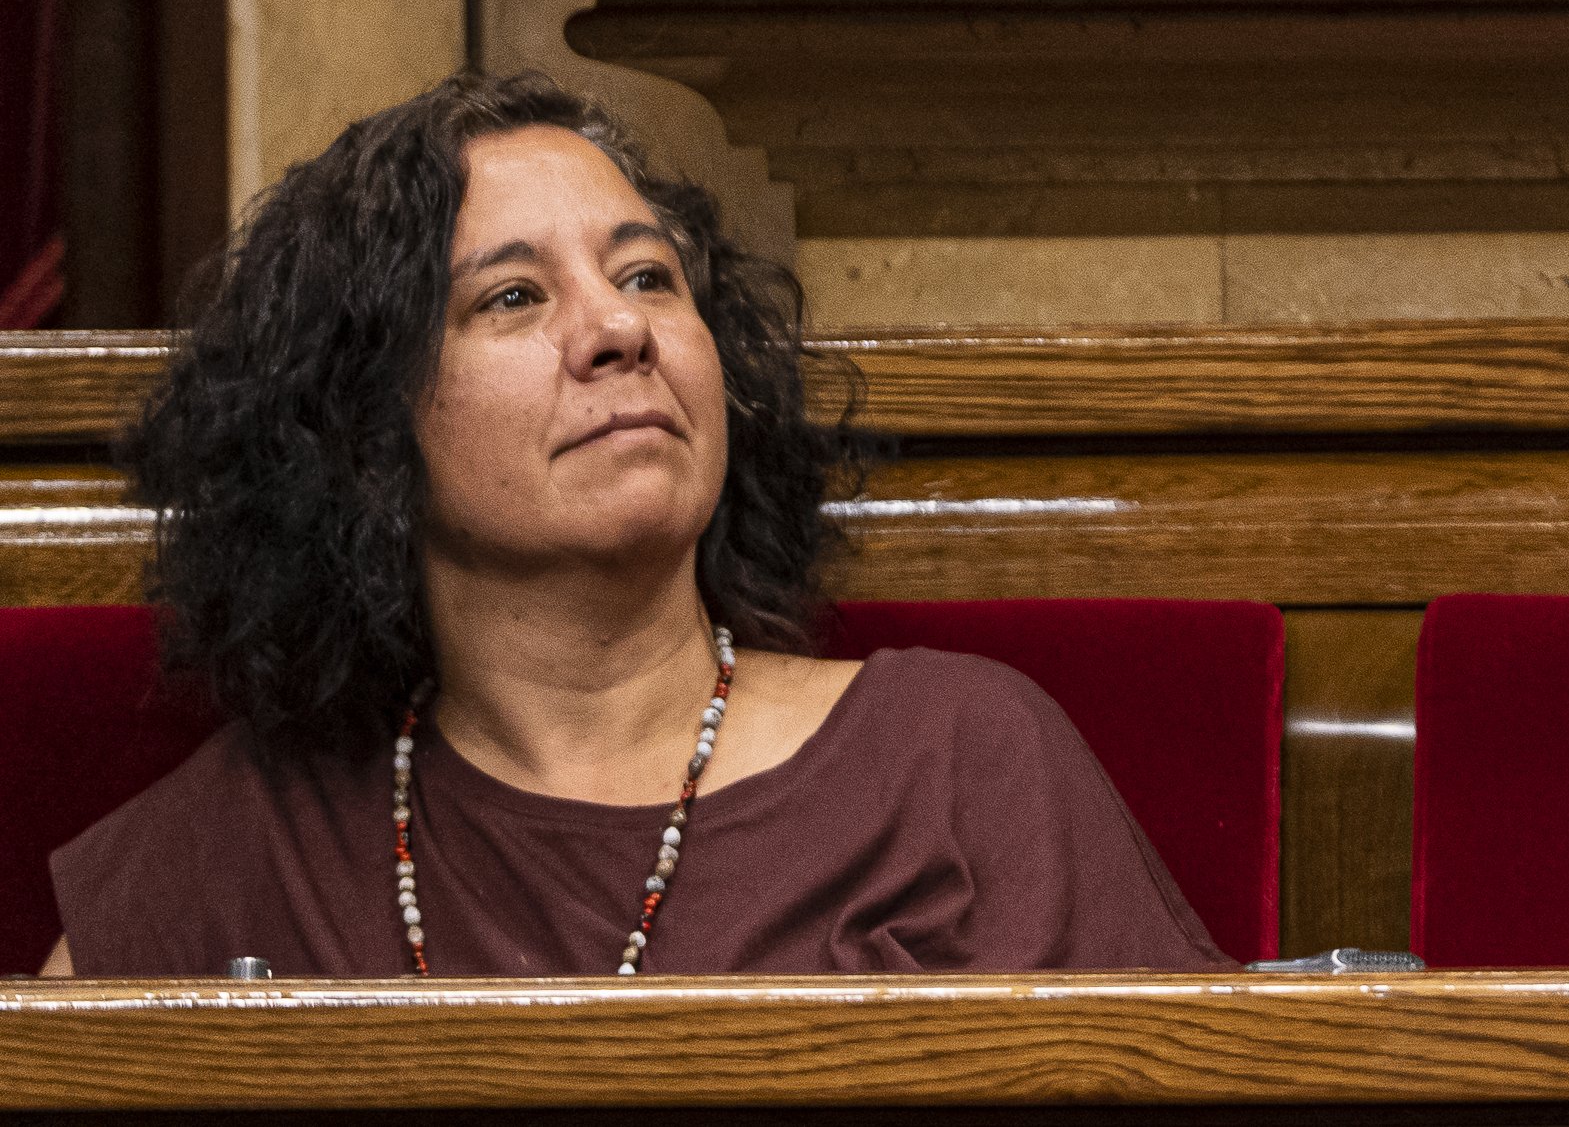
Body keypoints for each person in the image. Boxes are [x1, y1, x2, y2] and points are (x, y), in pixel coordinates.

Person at [47, 72, 1224, 977]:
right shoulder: (257, 827)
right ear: (361, 430)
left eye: (650, 277)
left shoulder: (960, 757)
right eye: (513, 297)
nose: (619, 330)